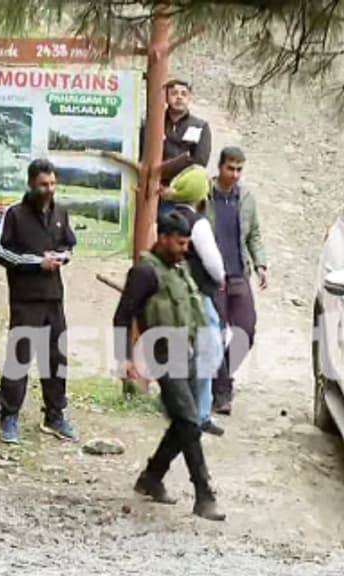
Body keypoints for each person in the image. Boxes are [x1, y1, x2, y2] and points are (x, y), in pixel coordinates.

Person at [113, 211, 226, 522]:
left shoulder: (180, 268)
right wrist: (123, 359)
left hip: (186, 352)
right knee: (190, 421)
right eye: (179, 242)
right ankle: (204, 494)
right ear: (162, 238)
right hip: (161, 355)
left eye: (187, 242)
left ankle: (151, 477)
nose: (185, 248)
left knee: (182, 423)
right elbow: (122, 316)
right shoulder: (145, 273)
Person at [0, 159, 77, 444]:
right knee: (19, 358)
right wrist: (35, 263)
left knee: (56, 358)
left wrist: (61, 257)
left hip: (54, 298)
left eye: (52, 184)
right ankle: (9, 416)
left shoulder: (61, 212)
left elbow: (69, 244)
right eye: (43, 184)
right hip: (25, 298)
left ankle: (54, 416)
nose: (48, 189)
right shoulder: (14, 214)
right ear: (30, 183)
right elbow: (1, 251)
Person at [163, 164, 225, 436]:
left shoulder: (168, 218)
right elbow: (214, 263)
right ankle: (199, 413)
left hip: (173, 293)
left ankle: (173, 404)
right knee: (208, 350)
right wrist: (220, 279)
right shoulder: (198, 224)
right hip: (198, 294)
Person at [205, 147, 267, 415]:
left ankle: (223, 378)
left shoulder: (246, 198)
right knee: (215, 334)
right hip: (211, 276)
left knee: (246, 330)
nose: (235, 174)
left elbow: (254, 234)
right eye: (230, 168)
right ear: (219, 167)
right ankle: (221, 392)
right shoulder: (204, 196)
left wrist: (261, 263)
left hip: (239, 273)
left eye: (240, 169)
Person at [140, 79, 213, 208]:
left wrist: (175, 189)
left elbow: (200, 162)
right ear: (166, 97)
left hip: (184, 195)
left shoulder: (200, 126)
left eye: (184, 94)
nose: (179, 97)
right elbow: (142, 154)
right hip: (154, 191)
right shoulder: (152, 123)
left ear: (189, 98)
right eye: (174, 93)